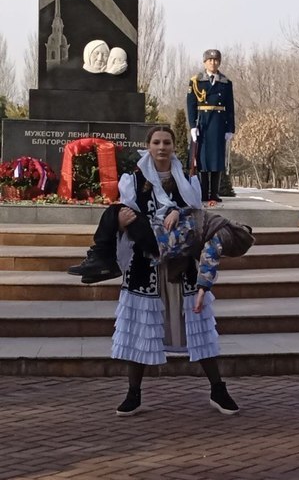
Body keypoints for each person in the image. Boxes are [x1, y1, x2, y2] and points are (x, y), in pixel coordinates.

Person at [77, 126, 239, 416]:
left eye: (166, 142)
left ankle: (218, 389)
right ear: (148, 146)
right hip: (146, 263)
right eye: (156, 142)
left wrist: (181, 211)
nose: (161, 147)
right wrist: (125, 220)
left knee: (199, 328)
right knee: (140, 327)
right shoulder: (134, 180)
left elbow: (200, 216)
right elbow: (129, 214)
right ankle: (133, 393)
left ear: (174, 147)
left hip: (181, 262)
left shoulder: (187, 181)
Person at [187, 49, 235, 203]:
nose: (213, 63)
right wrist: (193, 125)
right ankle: (203, 193)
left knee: (217, 159)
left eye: (215, 60)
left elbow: (230, 107)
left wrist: (230, 129)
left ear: (219, 62)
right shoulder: (196, 81)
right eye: (210, 60)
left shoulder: (225, 82)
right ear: (204, 62)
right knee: (203, 161)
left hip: (219, 124)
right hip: (203, 123)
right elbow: (191, 105)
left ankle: (214, 193)